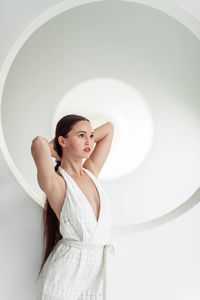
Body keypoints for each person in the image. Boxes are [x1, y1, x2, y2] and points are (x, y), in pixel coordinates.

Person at [31, 114, 115, 300]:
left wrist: (72, 143)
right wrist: (58, 150)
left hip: (96, 274)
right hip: (65, 277)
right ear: (62, 140)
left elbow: (109, 128)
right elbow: (38, 143)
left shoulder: (91, 171)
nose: (89, 142)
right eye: (81, 135)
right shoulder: (57, 183)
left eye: (92, 136)